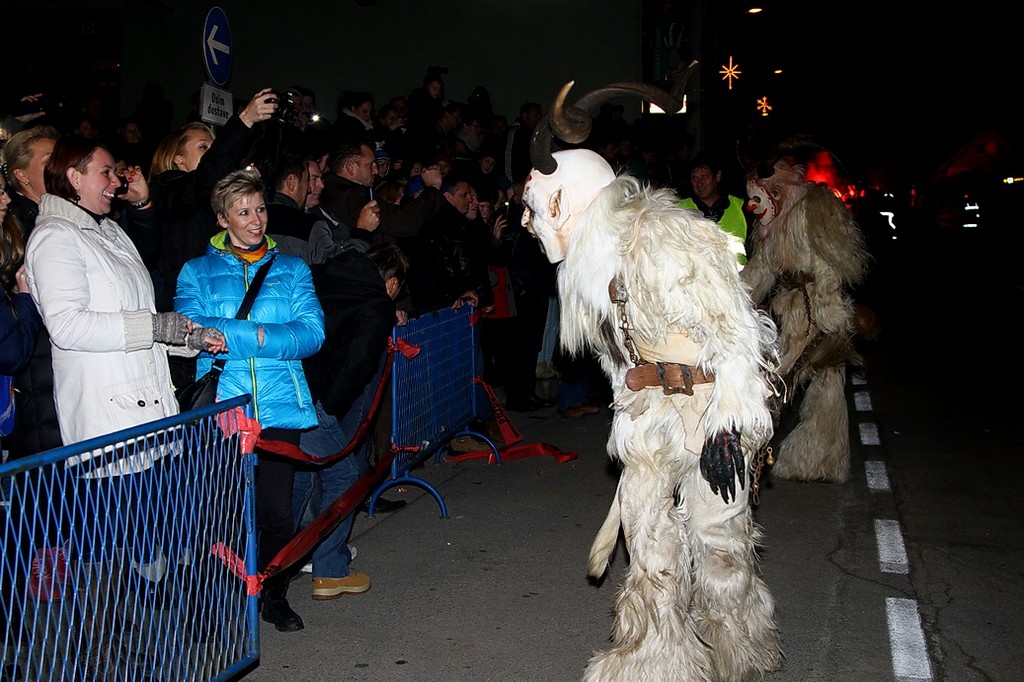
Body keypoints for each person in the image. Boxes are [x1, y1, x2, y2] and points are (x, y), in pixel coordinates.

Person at [521, 74, 782, 681]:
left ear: (561, 201)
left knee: (721, 545)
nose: (531, 224)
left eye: (536, 210)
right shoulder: (593, 268)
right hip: (649, 418)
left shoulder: (665, 236)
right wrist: (631, 405)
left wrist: (730, 426)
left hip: (710, 410)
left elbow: (738, 333)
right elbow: (623, 357)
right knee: (649, 543)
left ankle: (736, 649)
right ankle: (657, 659)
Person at [175, 169, 324, 633]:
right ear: (223, 219)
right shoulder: (196, 271)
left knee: (277, 511)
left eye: (259, 209)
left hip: (281, 406)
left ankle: (273, 593)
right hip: (224, 407)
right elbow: (191, 331)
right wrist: (267, 336)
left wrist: (240, 334)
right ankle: (225, 597)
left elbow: (313, 334)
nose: (256, 220)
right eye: (243, 212)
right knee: (222, 511)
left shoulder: (293, 267)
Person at [23, 136, 223, 449]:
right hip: (107, 421)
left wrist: (186, 337)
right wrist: (155, 327)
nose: (117, 182)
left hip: (147, 408)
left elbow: (138, 312)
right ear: (74, 177)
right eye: (106, 172)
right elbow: (67, 327)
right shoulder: (55, 236)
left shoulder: (110, 231)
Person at [740, 142, 869, 483]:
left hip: (817, 312)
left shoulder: (814, 208)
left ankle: (745, 450)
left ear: (779, 192)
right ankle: (819, 461)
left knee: (777, 381)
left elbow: (842, 260)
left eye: (759, 197)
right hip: (797, 311)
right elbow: (759, 273)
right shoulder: (773, 229)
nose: (752, 206)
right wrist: (728, 298)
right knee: (826, 388)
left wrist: (829, 310)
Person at [293, 243, 409, 600]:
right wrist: (331, 409)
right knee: (344, 477)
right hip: (317, 401)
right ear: (391, 284)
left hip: (286, 391)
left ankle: (286, 554)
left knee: (300, 477)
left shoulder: (322, 277)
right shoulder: (375, 306)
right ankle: (329, 569)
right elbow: (357, 366)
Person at [677, 152, 749, 268]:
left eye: (705, 177)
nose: (699, 183)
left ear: (717, 177)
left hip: (738, 279)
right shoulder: (678, 210)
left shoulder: (741, 206)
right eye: (694, 178)